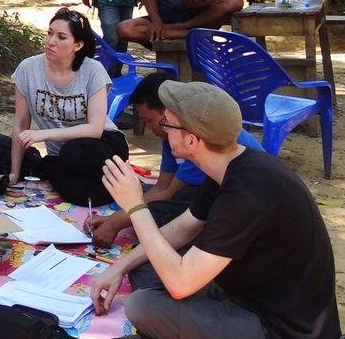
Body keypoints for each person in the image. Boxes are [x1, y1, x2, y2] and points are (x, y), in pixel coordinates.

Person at [92, 81, 342, 339]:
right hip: (246, 294)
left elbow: (180, 283)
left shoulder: (247, 194)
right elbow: (185, 227)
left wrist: (136, 206)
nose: (161, 129)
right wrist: (118, 267)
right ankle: (179, 338)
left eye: (167, 124)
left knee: (142, 307)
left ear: (192, 140)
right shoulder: (228, 164)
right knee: (145, 261)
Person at [0, 7, 128, 206]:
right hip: (60, 156)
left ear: (78, 45)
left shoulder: (93, 71)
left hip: (101, 146)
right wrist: (14, 173)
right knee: (69, 186)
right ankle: (112, 186)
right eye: (50, 33)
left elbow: (95, 129)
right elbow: (20, 125)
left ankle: (118, 180)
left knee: (72, 154)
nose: (51, 41)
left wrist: (43, 135)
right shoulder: (28, 69)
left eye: (61, 37)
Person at [83, 72, 262, 248]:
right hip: (212, 192)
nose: (152, 128)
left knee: (153, 221)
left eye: (152, 121)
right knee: (151, 210)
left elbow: (166, 193)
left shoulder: (198, 144)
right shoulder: (175, 136)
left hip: (242, 204)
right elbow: (162, 187)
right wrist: (115, 220)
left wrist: (115, 223)